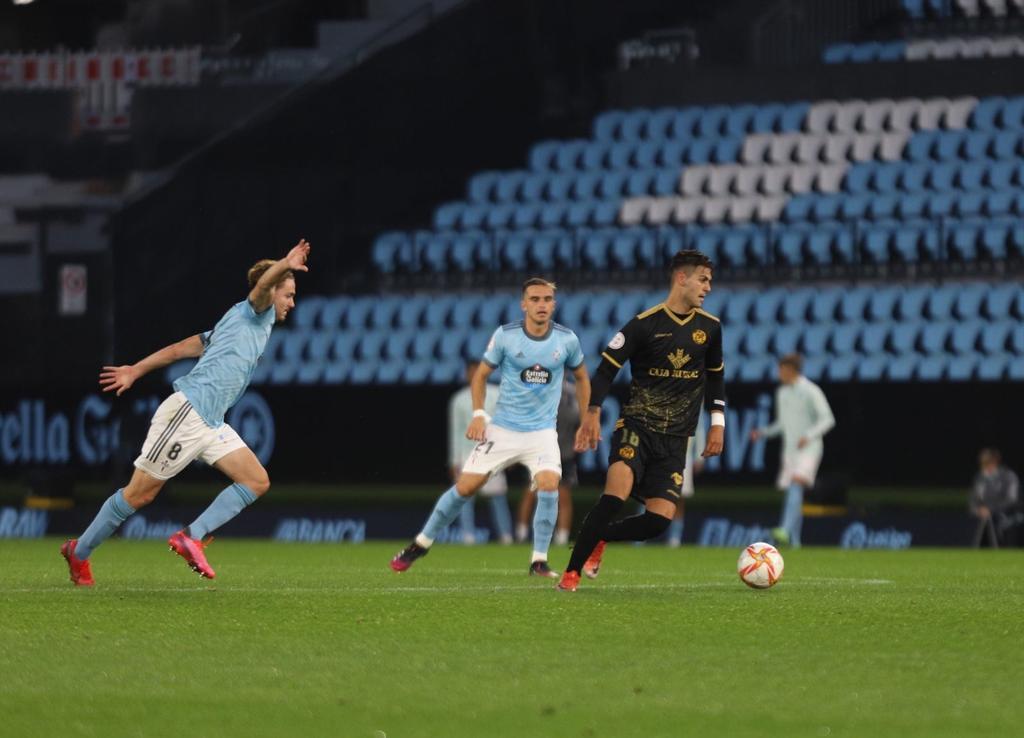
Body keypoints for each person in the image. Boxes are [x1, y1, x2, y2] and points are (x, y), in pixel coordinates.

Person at [60, 240, 311, 586]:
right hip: (187, 413)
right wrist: (285, 263)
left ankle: (191, 536)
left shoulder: (233, 324)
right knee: (140, 494)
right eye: (289, 294)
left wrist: (136, 369)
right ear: (271, 291)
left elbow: (182, 348)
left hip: (212, 422)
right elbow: (264, 286)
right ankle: (79, 552)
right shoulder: (255, 310)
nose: (292, 303)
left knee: (256, 480)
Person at [390, 277, 595, 577]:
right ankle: (420, 543)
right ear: (523, 303)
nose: (541, 305)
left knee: (550, 484)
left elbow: (583, 378)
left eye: (547, 300)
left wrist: (588, 418)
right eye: (535, 299)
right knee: (465, 487)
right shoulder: (505, 336)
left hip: (542, 434)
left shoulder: (567, 340)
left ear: (554, 304)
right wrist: (477, 414)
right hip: (503, 430)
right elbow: (481, 376)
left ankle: (539, 560)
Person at [557, 249, 725, 592]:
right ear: (682, 278)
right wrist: (592, 413)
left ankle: (599, 538)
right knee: (615, 496)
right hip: (636, 427)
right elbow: (605, 372)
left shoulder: (710, 329)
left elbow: (716, 378)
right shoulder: (643, 324)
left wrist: (718, 422)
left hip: (677, 438)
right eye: (703, 280)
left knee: (658, 522)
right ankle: (571, 574)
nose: (708, 288)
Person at [749, 353, 835, 549]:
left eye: (782, 369)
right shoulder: (782, 393)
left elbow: (828, 418)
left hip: (810, 449)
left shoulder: (811, 390)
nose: (779, 373)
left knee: (796, 485)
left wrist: (809, 435)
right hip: (790, 453)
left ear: (791, 370)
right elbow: (781, 424)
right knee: (794, 493)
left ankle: (785, 529)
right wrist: (762, 433)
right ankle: (795, 542)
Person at [450, 359, 514, 545]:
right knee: (464, 498)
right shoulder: (459, 399)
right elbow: (456, 431)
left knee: (497, 497)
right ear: (467, 374)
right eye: (471, 371)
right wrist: (455, 460)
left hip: (492, 454)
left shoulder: (497, 395)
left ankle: (506, 536)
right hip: (467, 456)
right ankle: (467, 535)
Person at [515, 376, 579, 547]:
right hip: (541, 450)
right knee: (532, 491)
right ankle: (521, 535)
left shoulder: (570, 392)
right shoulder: (540, 390)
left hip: (562, 451)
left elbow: (577, 417)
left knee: (561, 495)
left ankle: (562, 537)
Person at [666, 410, 706, 547]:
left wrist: (699, 456)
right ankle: (639, 538)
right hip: (660, 452)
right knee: (647, 495)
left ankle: (674, 539)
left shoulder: (694, 394)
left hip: (684, 454)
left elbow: (699, 428)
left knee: (679, 498)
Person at [970, 448, 1021, 548]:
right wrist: (978, 510)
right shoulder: (981, 478)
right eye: (984, 463)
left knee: (1000, 524)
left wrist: (992, 510)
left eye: (989, 462)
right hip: (984, 519)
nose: (986, 465)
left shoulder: (1008, 476)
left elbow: (1011, 500)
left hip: (1008, 516)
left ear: (995, 462)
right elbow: (974, 500)